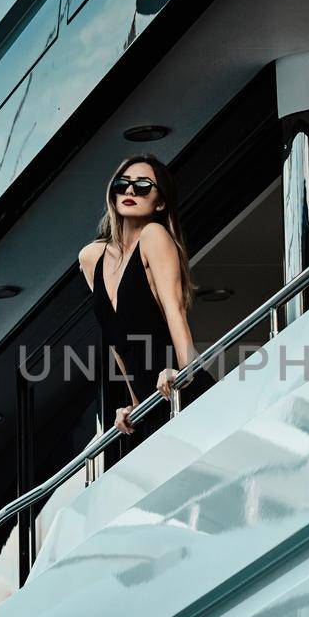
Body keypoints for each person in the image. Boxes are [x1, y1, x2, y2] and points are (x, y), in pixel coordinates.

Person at [77, 154, 213, 457]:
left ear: (160, 203)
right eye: (123, 184)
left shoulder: (154, 235)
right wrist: (136, 406)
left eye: (142, 186)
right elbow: (117, 342)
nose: (129, 191)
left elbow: (174, 311)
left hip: (176, 385)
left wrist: (186, 373)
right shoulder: (92, 259)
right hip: (151, 407)